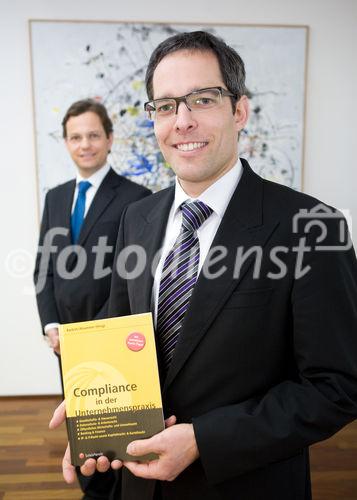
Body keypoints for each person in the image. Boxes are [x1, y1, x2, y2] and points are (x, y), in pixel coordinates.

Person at [50, 32, 357, 500]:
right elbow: (117, 327)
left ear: (239, 111)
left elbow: (338, 386)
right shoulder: (137, 217)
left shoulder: (313, 226)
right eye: (167, 105)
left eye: (203, 99)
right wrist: (92, 399)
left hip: (245, 485)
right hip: (137, 480)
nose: (183, 121)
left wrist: (204, 440)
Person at [34, 98, 151, 499]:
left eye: (93, 135)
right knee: (80, 431)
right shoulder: (55, 196)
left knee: (116, 433)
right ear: (66, 142)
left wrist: (91, 334)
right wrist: (52, 326)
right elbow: (43, 267)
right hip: (63, 342)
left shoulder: (138, 197)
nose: (85, 144)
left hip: (113, 338)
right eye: (75, 137)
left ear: (109, 139)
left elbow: (133, 278)